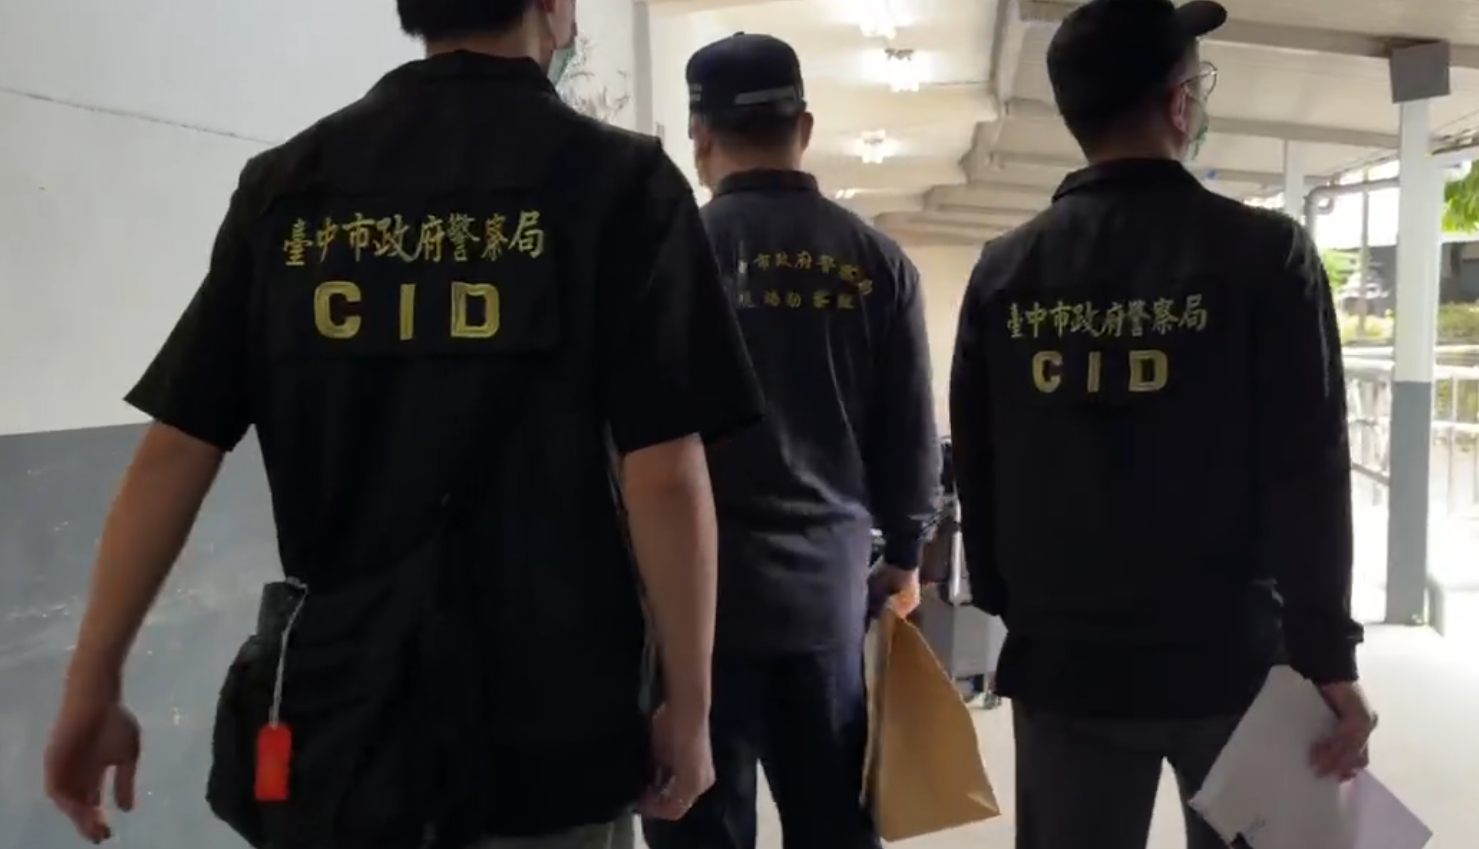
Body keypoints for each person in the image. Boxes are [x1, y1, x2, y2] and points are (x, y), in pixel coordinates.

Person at [42, 1, 766, 847]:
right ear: (556, 9)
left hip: (340, 726)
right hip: (551, 722)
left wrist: (92, 681)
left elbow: (177, 447)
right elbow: (665, 470)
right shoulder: (621, 183)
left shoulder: (290, 183)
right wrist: (690, 704)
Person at [948, 1, 1376, 848]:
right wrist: (1327, 653)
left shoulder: (1005, 270)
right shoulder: (1267, 255)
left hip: (1066, 662)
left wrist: (1013, 603)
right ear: (1181, 105)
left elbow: (979, 460)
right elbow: (1309, 466)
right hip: (1236, 664)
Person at [642, 33, 941, 849]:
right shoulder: (876, 262)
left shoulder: (668, 254)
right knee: (832, 821)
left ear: (699, 136)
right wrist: (904, 554)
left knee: (699, 823)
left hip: (692, 608)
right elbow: (908, 436)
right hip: (825, 601)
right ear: (803, 127)